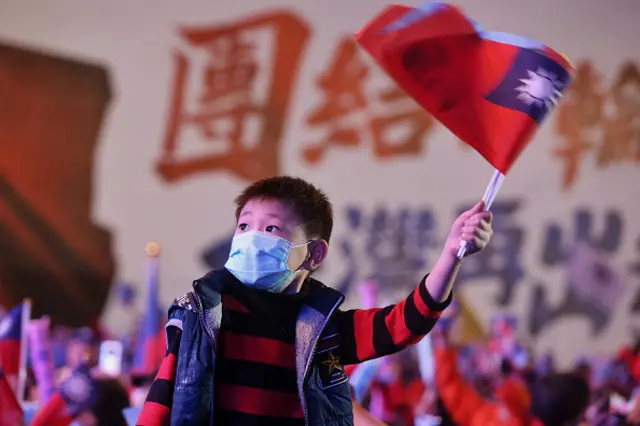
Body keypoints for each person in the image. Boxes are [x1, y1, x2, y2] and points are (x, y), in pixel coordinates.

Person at [137, 176, 493, 426]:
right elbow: (161, 401)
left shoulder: (324, 330)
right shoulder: (199, 314)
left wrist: (451, 255)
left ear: (313, 254)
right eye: (244, 226)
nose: (251, 239)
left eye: (272, 229)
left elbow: (404, 324)